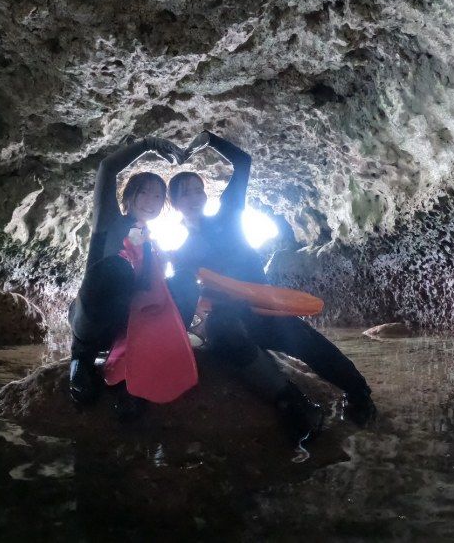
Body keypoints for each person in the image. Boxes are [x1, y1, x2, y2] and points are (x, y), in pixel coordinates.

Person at [167, 130, 376, 444]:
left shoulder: (228, 214)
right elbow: (188, 295)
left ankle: (359, 392)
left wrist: (208, 139)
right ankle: (294, 402)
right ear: (174, 203)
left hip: (262, 308)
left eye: (198, 190)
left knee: (304, 341)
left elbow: (243, 162)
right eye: (186, 193)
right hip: (230, 316)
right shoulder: (182, 251)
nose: (195, 196)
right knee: (222, 335)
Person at [68, 135, 183, 418]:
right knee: (118, 268)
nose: (151, 200)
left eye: (158, 195)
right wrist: (147, 144)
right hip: (91, 318)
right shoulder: (109, 220)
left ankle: (128, 372)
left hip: (124, 329)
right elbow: (107, 168)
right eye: (145, 192)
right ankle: (80, 360)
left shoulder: (151, 242)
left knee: (178, 284)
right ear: (130, 195)